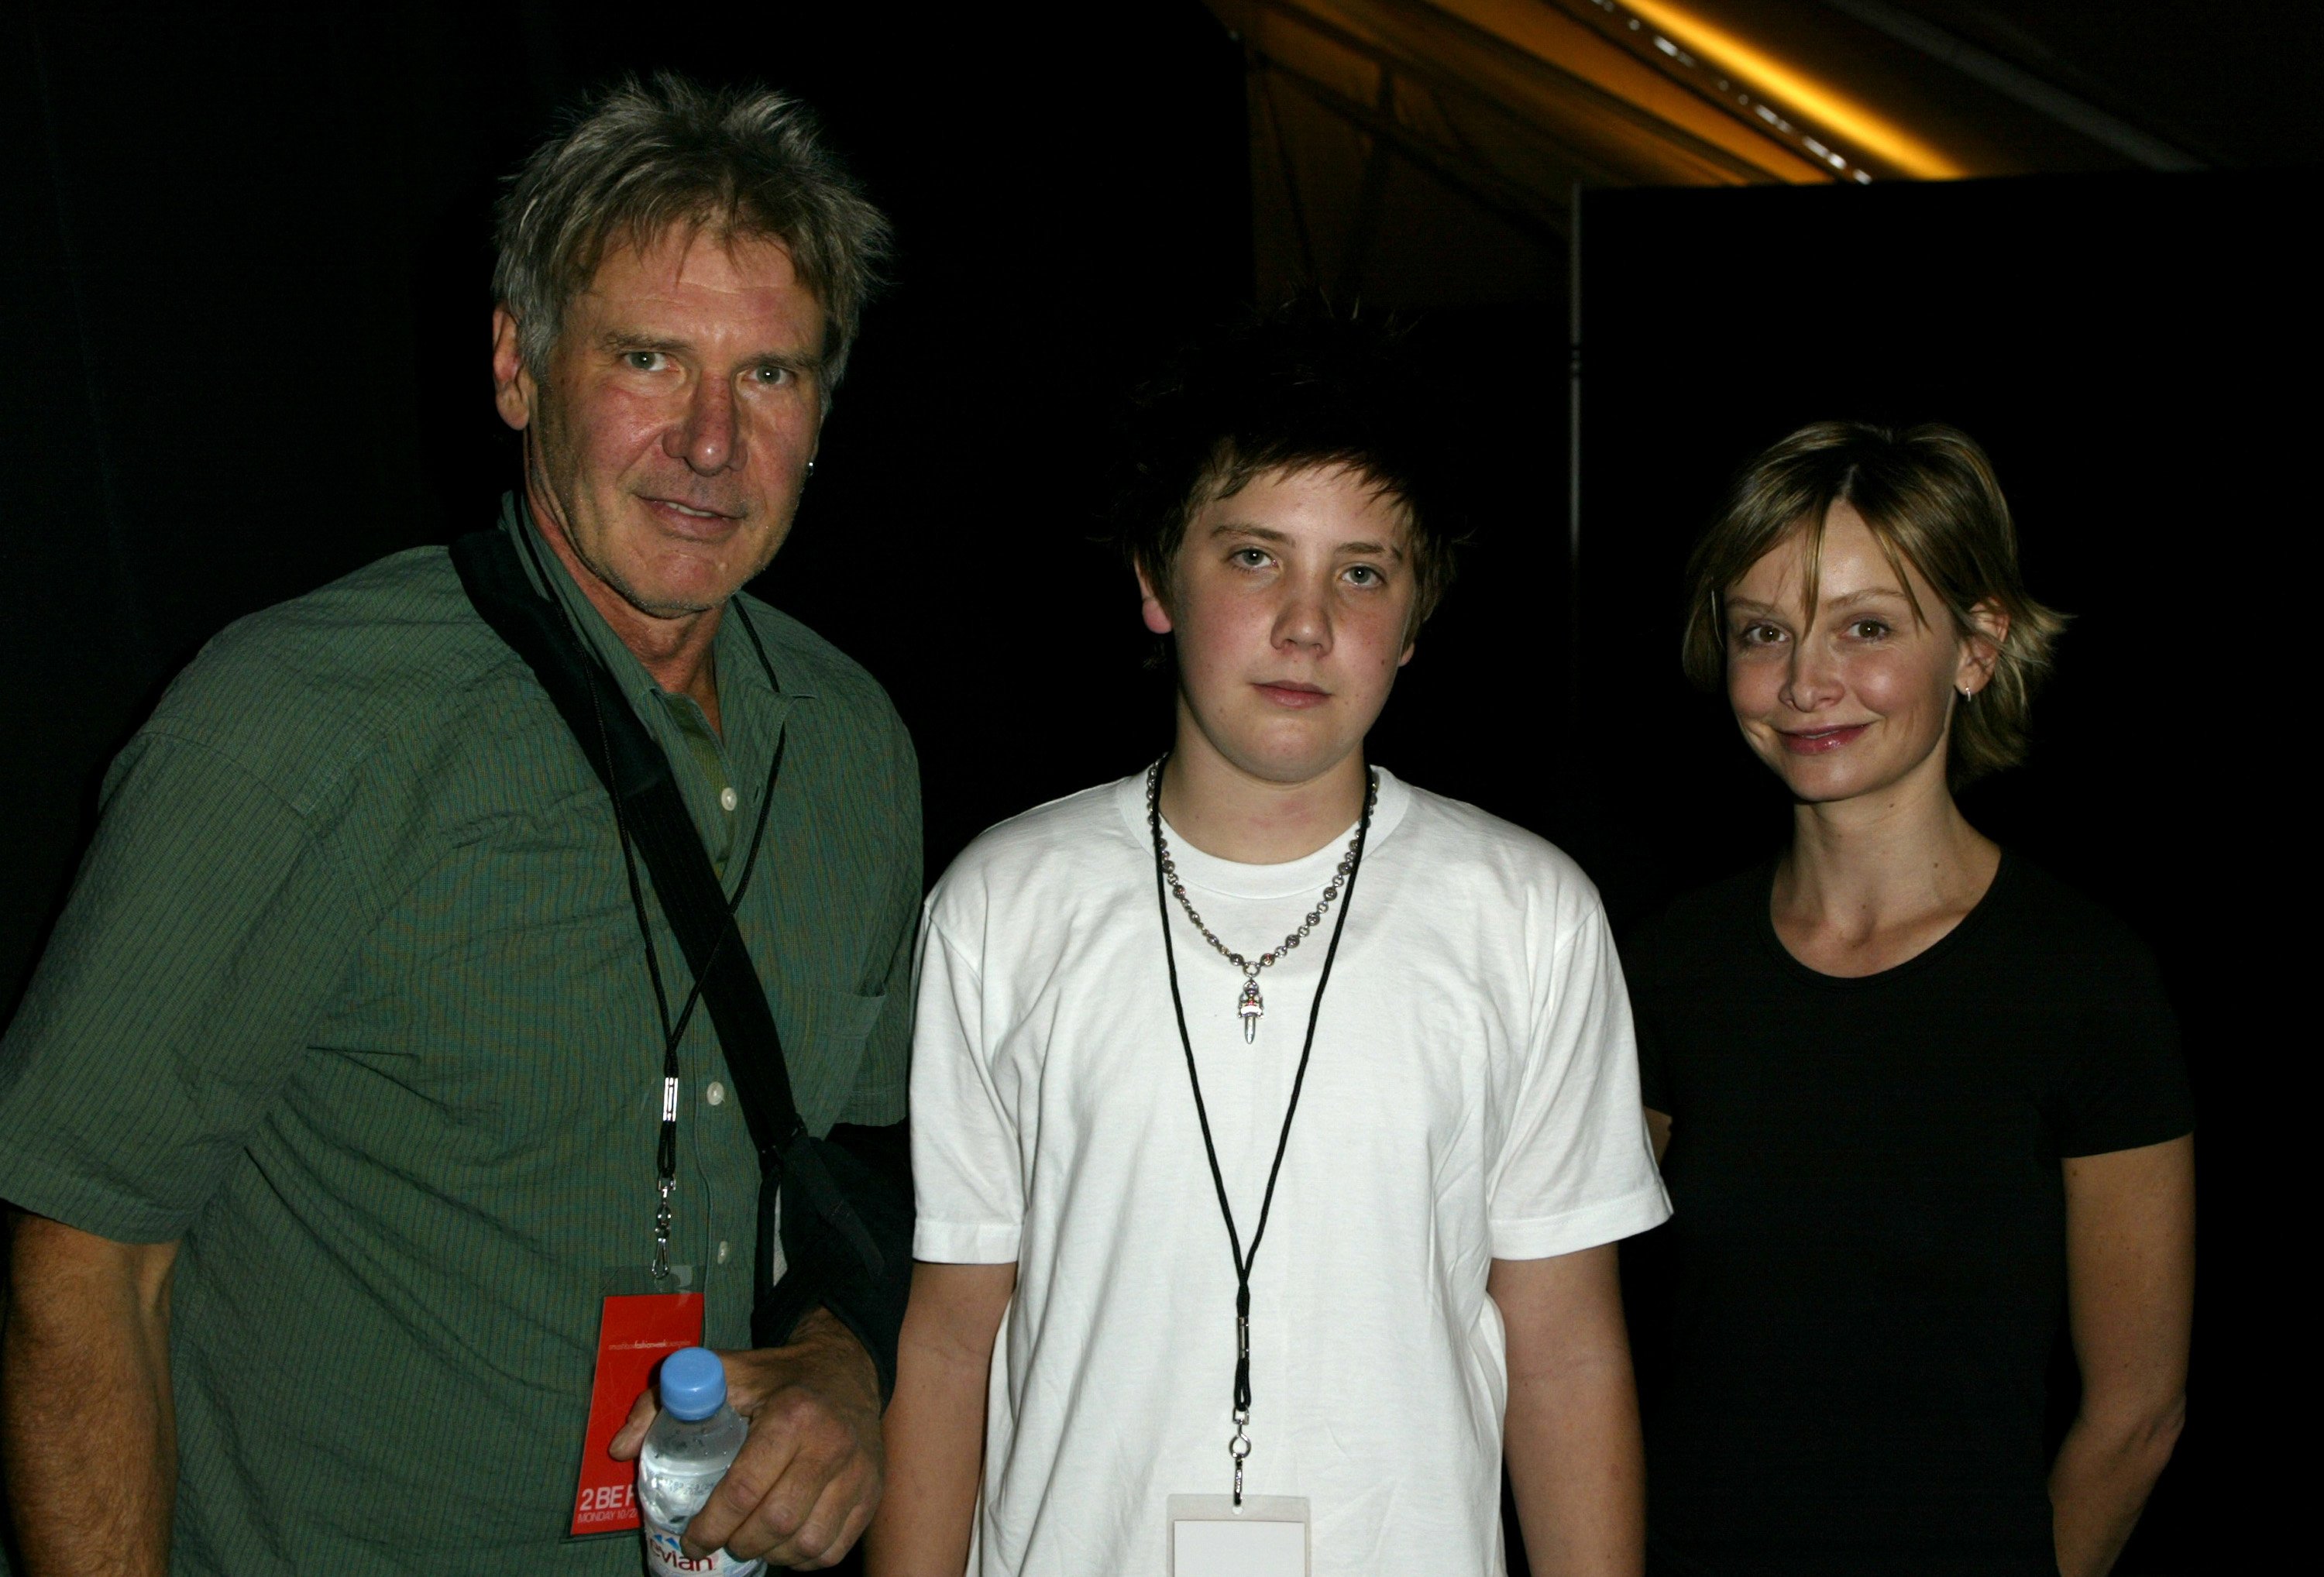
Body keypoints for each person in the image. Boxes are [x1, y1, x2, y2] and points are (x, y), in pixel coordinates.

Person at [0, 76, 918, 1575]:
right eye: (647, 358)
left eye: (769, 376)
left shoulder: (855, 745)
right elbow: (83, 1268)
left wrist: (837, 1357)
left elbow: (861, 1163)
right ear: (516, 368)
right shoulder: (297, 724)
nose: (708, 441)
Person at [864, 308, 1671, 1577]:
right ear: (1155, 578)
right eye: (1253, 557)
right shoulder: (1003, 903)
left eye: (1362, 572)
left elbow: (1566, 1348)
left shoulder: (1526, 915)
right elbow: (951, 1336)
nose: (1307, 625)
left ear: (1413, 621)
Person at [1624, 421, 2195, 1577]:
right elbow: (1578, 1329)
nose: (1802, 683)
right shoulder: (1668, 965)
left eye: (1867, 629)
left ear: (1977, 647)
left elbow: (2136, 1415)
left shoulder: (2084, 983)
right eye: (1765, 632)